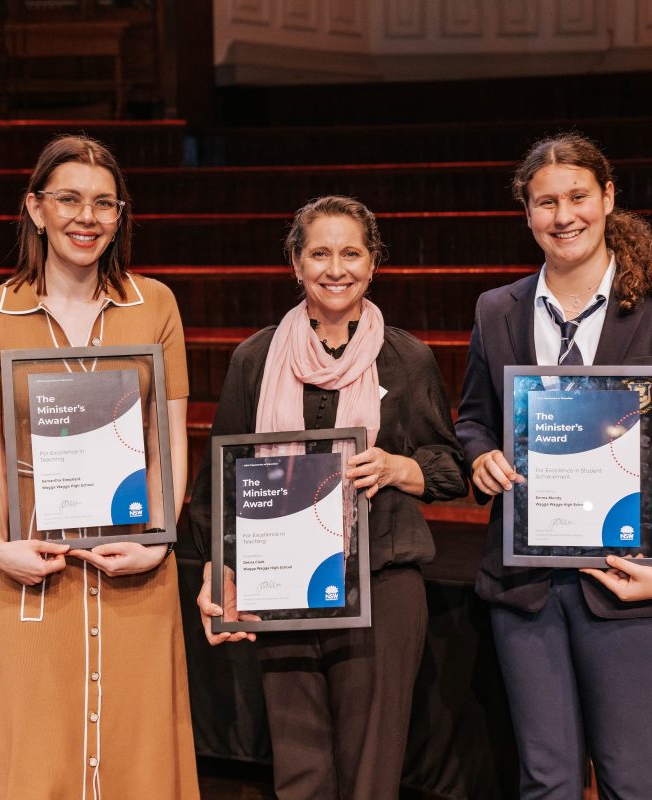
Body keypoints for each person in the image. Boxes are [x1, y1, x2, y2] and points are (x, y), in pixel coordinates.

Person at [455, 133, 652, 799]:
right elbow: (471, 417)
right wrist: (480, 456)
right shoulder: (499, 310)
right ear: (527, 214)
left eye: (578, 196)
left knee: (629, 781)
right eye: (545, 202)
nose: (563, 215)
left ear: (608, 198)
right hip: (525, 589)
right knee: (545, 781)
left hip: (627, 581)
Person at [189, 195, 468, 799]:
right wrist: (223, 570)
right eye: (319, 252)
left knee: (372, 774)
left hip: (382, 585)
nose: (335, 268)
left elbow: (450, 472)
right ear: (296, 262)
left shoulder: (409, 358)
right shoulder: (256, 359)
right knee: (300, 772)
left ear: (372, 265)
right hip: (282, 585)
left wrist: (397, 466)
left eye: (351, 253)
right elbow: (220, 481)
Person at [0, 134, 199, 799]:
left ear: (120, 216)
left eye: (103, 204)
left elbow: (169, 444)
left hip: (137, 570)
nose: (86, 218)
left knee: (143, 758)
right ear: (35, 208)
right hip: (36, 570)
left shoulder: (156, 305)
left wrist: (157, 544)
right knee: (43, 760)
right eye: (68, 199)